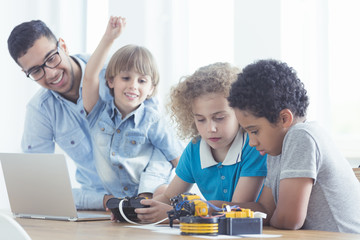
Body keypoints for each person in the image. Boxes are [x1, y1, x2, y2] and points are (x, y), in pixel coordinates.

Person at [7, 19, 157, 210]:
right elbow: (38, 188)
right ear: (25, 72)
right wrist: (104, 201)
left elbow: (161, 144)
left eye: (52, 58)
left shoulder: (122, 74)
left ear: (63, 45)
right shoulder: (40, 110)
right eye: (36, 70)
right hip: (100, 210)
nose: (51, 73)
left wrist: (147, 194)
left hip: (153, 200)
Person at [226, 59, 360, 233]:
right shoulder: (276, 149)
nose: (252, 142)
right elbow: (266, 209)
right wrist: (221, 208)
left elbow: (289, 220)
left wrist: (272, 216)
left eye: (255, 131)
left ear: (284, 119)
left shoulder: (301, 136)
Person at [135, 62, 267, 223]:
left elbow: (235, 211)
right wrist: (135, 212)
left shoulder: (254, 147)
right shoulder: (195, 148)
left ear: (240, 112)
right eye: (200, 119)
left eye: (219, 118)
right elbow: (169, 197)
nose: (211, 128)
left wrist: (175, 214)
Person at [82, 16, 183, 201]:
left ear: (151, 89)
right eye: (126, 78)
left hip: (150, 192)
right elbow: (89, 77)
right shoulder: (98, 114)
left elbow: (179, 160)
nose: (133, 86)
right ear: (111, 81)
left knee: (163, 190)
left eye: (142, 81)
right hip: (116, 197)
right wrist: (108, 38)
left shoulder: (152, 120)